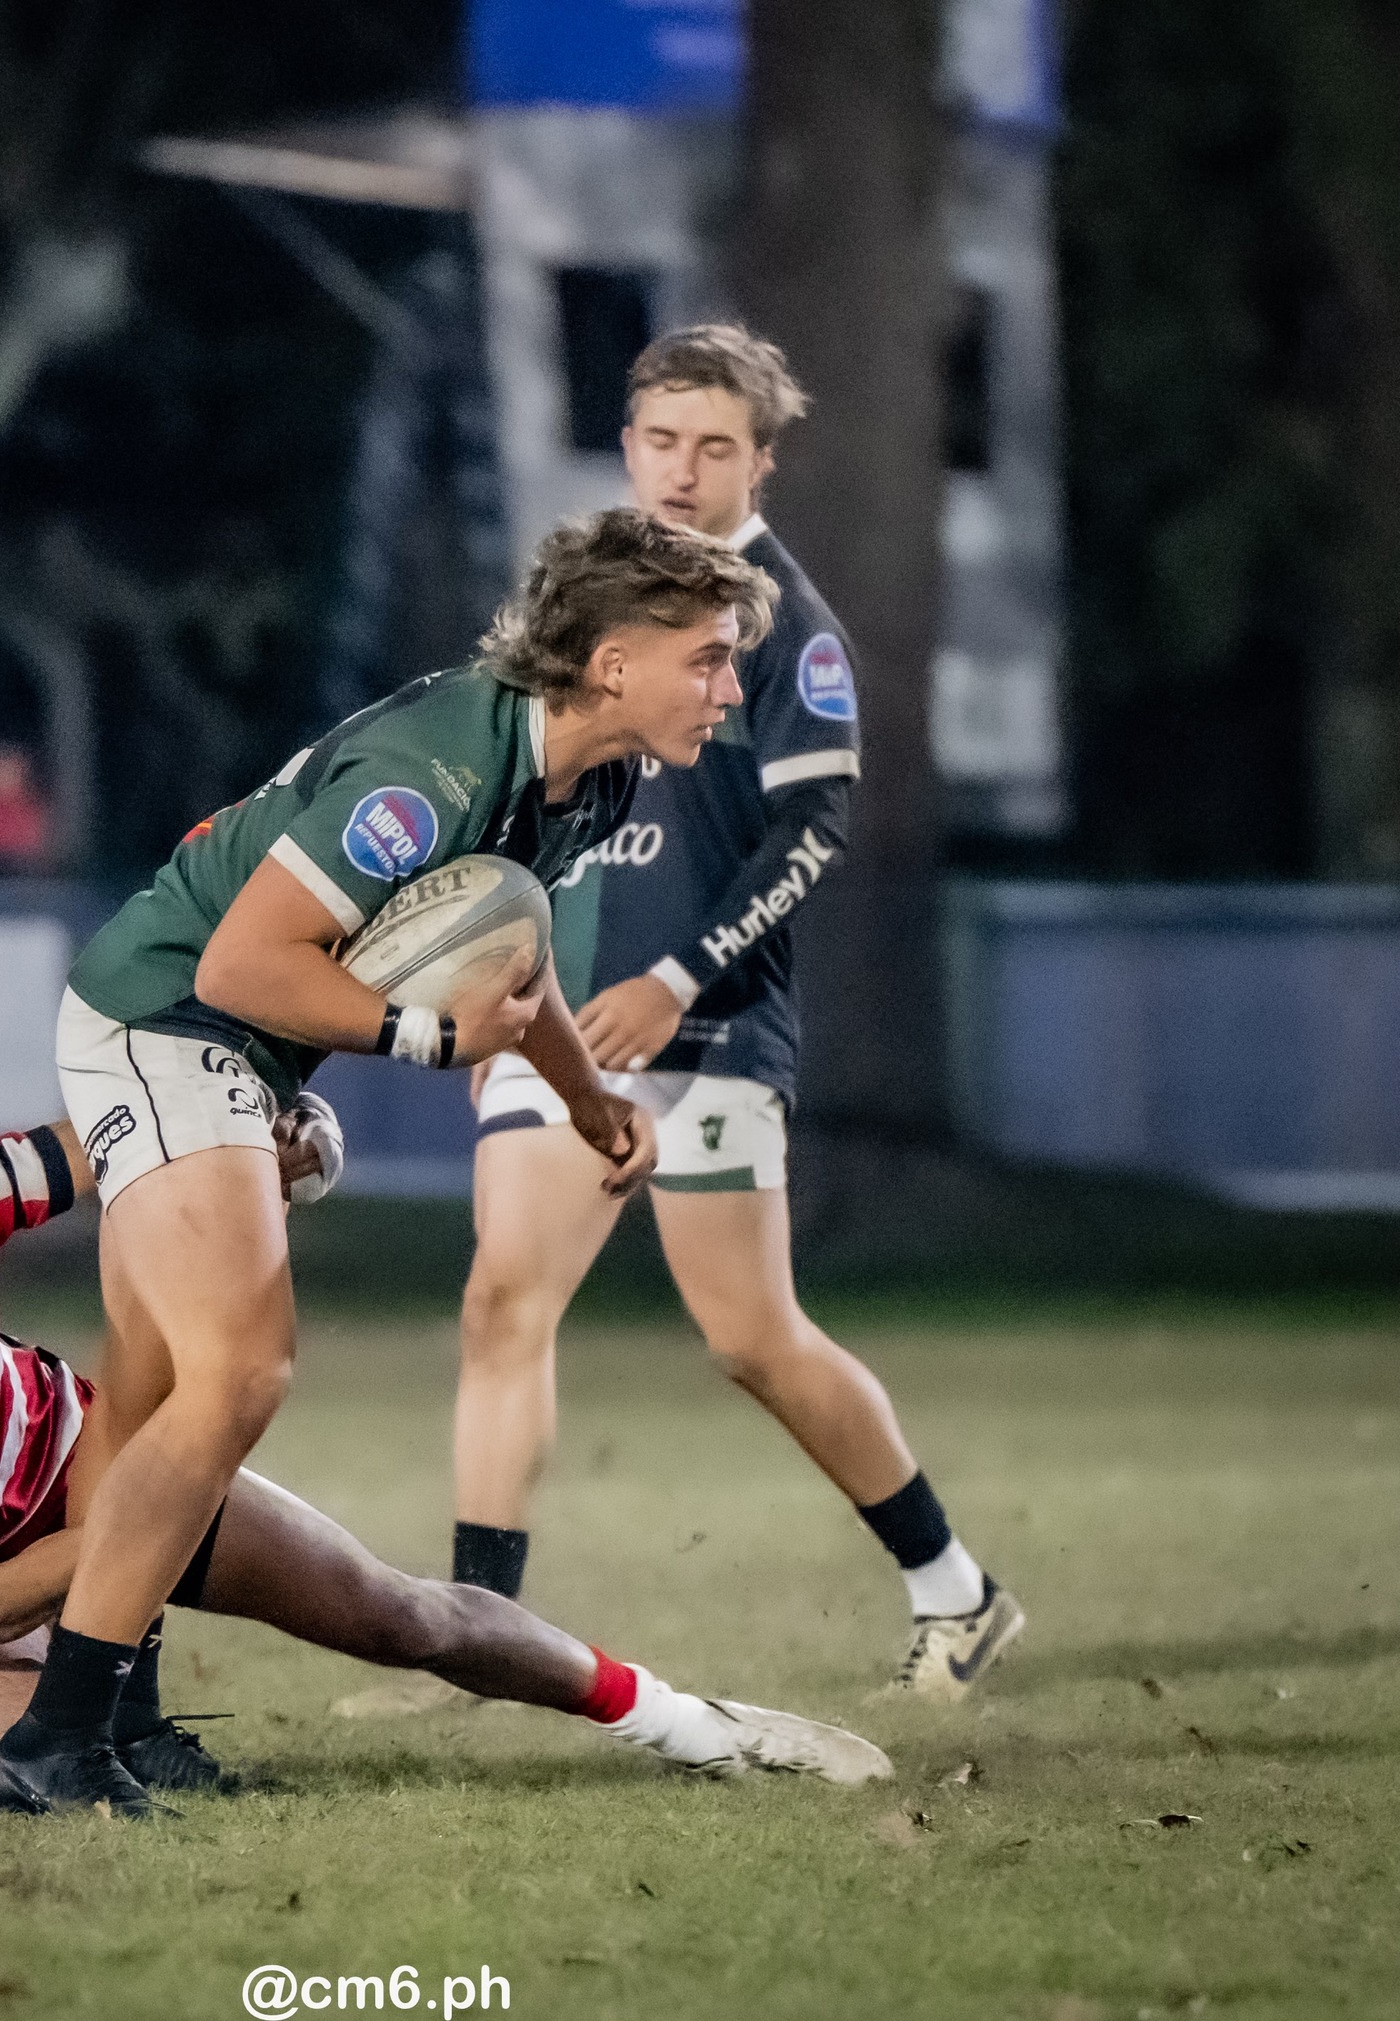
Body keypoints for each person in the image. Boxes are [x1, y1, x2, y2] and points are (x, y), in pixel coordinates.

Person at [0, 509, 780, 1816]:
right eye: (705, 656)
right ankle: (56, 1742)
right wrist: (414, 1034)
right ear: (610, 663)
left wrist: (589, 1107)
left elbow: (507, 968)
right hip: (167, 1015)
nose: (730, 684)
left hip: (225, 1045)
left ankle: (108, 1718)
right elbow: (239, 966)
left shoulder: (593, 779)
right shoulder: (431, 772)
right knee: (239, 1371)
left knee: (149, 1395)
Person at [0, 1129, 893, 1815]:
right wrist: (144, 1516)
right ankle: (122, 1704)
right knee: (65, 1797)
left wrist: (261, 1141)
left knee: (396, 1609)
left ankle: (689, 1723)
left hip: (61, 1453)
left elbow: (114, 1134)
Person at [452, 326, 1023, 1698]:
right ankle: (470, 1636)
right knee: (501, 1301)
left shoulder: (788, 627)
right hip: (575, 1021)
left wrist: (679, 976)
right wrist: (512, 996)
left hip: (706, 1025)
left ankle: (958, 1591)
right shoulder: (591, 605)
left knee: (751, 1339)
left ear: (761, 460)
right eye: (660, 438)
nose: (682, 469)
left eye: (715, 445)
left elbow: (814, 830)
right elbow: (524, 799)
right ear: (630, 444)